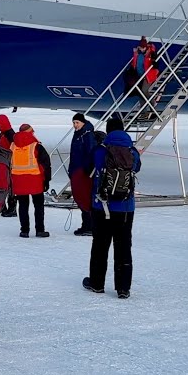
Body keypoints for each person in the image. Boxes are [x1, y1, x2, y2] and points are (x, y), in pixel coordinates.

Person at [83, 116, 141, 298]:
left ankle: (97, 283)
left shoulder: (100, 150)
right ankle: (123, 288)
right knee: (123, 246)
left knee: (100, 245)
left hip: (102, 205)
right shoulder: (132, 151)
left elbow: (88, 171)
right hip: (125, 208)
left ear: (108, 131)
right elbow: (137, 168)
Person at [10, 124, 51, 238]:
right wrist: (46, 180)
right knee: (38, 206)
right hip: (35, 181)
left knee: (23, 206)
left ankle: (24, 230)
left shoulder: (12, 146)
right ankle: (40, 230)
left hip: (18, 181)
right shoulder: (35, 146)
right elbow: (45, 164)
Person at [69, 113, 97, 236]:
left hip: (83, 171)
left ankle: (89, 225)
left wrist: (88, 169)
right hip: (76, 170)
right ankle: (86, 224)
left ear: (83, 123)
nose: (75, 125)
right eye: (74, 123)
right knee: (80, 197)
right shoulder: (77, 134)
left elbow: (90, 152)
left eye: (77, 123)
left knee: (85, 197)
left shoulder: (87, 135)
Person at [0, 114, 17, 216]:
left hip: (9, 163)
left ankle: (11, 209)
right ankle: (7, 208)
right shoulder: (5, 133)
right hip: (4, 162)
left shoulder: (9, 135)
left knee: (8, 186)